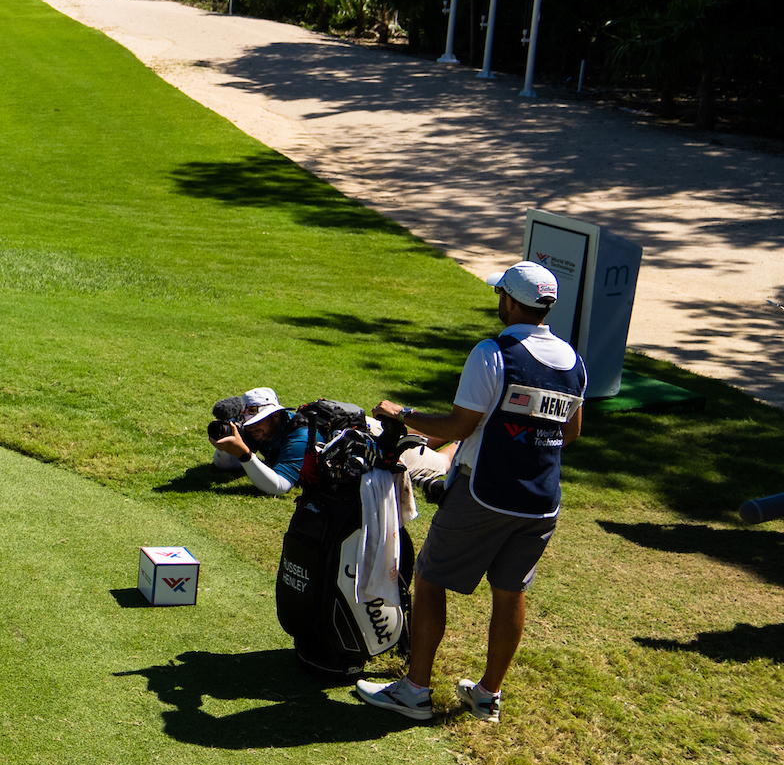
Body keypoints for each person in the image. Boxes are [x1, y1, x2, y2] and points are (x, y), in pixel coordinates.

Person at [357, 262, 586, 725]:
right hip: (542, 502)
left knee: (431, 576)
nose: (499, 301)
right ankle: (487, 696)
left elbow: (457, 426)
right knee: (510, 591)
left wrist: (401, 412)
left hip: (484, 494)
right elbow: (572, 433)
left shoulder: (493, 352)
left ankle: (415, 690)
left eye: (501, 294)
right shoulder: (574, 360)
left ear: (511, 301)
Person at [212, 390, 311, 498]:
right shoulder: (256, 429)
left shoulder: (300, 437)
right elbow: (226, 465)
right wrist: (225, 442)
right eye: (247, 423)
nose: (251, 427)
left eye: (257, 421)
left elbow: (279, 487)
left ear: (276, 415)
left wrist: (244, 455)